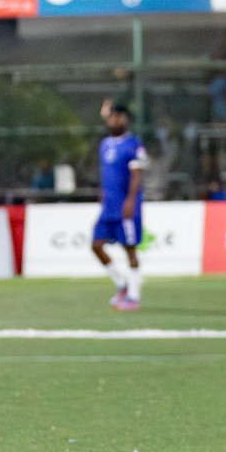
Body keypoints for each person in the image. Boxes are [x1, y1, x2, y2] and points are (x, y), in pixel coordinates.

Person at [90, 100, 147, 311]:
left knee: (129, 249)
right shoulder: (105, 144)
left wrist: (131, 200)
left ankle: (134, 296)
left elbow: (137, 175)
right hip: (108, 207)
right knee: (96, 245)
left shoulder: (134, 145)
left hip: (126, 207)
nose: (114, 119)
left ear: (127, 120)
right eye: (112, 116)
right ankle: (121, 284)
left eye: (118, 116)